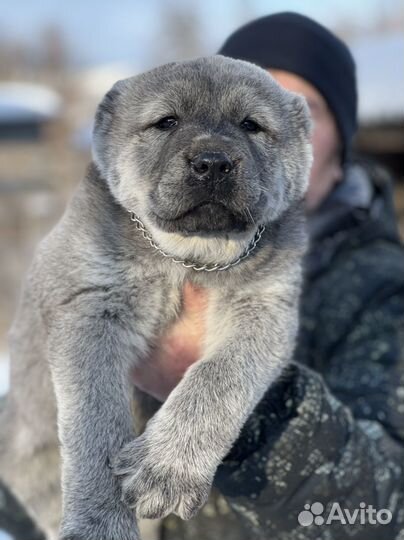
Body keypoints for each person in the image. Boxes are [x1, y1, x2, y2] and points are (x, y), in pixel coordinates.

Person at [2, 11, 404, 540]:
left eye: (253, 123)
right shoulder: (104, 233)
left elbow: (383, 512)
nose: (213, 153)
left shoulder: (383, 289)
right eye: (169, 122)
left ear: (313, 143)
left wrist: (231, 411)